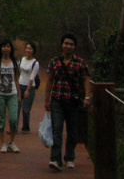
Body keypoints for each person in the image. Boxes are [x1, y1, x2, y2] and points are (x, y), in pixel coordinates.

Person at [44, 33, 91, 172]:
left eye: (71, 44)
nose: (68, 46)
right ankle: (55, 159)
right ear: (61, 44)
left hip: (73, 102)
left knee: (72, 131)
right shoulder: (54, 62)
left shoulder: (80, 63)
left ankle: (69, 157)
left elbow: (86, 80)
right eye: (66, 43)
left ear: (75, 47)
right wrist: (47, 100)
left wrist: (87, 97)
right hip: (57, 100)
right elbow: (49, 81)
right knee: (57, 130)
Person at [18, 42, 39, 132]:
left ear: (33, 50)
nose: (28, 50)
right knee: (16, 107)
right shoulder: (22, 59)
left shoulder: (35, 63)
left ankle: (26, 128)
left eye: (30, 49)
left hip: (30, 87)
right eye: (27, 48)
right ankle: (13, 127)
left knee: (26, 109)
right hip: (20, 84)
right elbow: (19, 72)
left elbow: (32, 77)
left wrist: (28, 90)